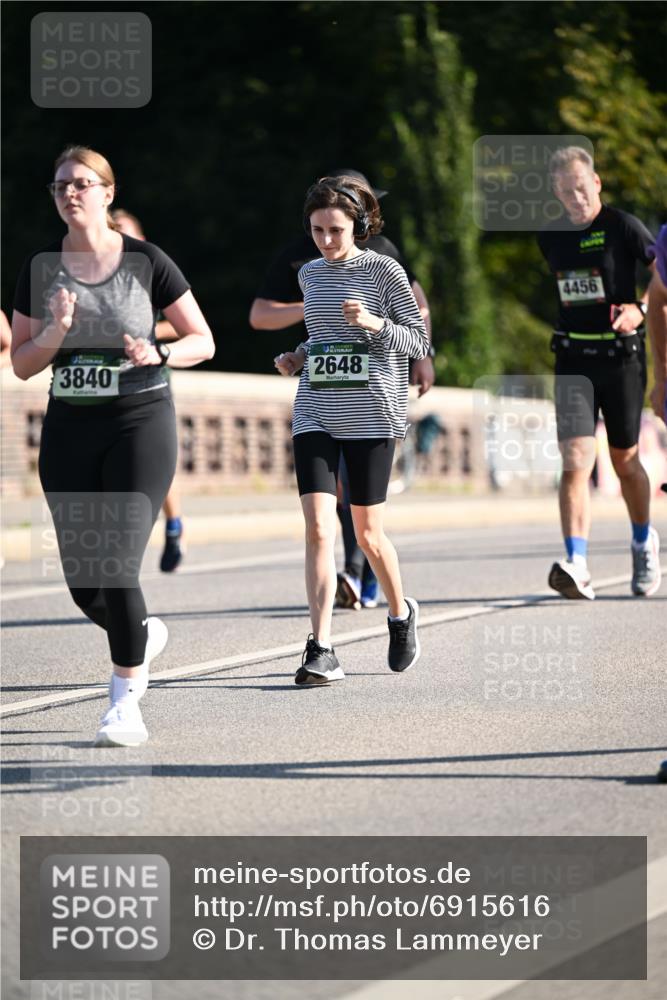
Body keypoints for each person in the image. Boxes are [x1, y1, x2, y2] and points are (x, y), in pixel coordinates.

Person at [11, 145, 215, 746]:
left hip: (140, 422)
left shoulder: (147, 261)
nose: (69, 193)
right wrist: (55, 332)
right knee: (84, 582)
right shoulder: (40, 267)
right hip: (70, 427)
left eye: (80, 183)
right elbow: (23, 363)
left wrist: (161, 351)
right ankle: (141, 632)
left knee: (116, 565)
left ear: (107, 192)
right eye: (59, 186)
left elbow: (204, 339)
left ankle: (125, 704)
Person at [251, 168, 435, 610]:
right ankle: (320, 646)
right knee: (318, 528)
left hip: (372, 410)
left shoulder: (385, 267)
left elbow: (419, 340)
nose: (326, 240)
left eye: (335, 231)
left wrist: (375, 323)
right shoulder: (310, 274)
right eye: (318, 230)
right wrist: (297, 357)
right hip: (316, 406)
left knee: (369, 533)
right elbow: (321, 337)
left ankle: (397, 611)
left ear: (358, 226)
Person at [538, 147, 660, 600]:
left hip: (621, 359)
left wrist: (640, 309)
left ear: (597, 184)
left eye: (582, 187)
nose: (576, 197)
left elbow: (663, 275)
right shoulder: (549, 236)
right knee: (574, 462)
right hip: (573, 359)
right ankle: (577, 562)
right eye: (566, 190)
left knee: (624, 461)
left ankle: (644, 540)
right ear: (557, 192)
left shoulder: (623, 226)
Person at [110, 209, 186, 573]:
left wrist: (151, 340)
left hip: (153, 376)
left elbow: (182, 323)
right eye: (114, 230)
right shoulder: (95, 273)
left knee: (157, 461)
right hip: (108, 381)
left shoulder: (153, 269)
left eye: (125, 232)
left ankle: (173, 526)